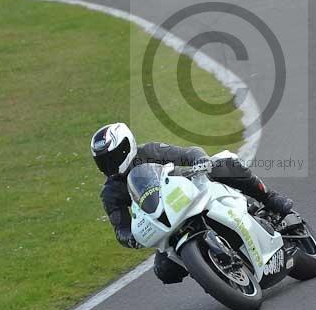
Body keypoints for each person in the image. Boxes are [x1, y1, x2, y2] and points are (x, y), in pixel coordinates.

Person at [91, 122, 293, 285]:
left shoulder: (150, 151)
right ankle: (210, 272)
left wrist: (200, 160)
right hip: (166, 222)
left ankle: (269, 198)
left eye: (113, 157)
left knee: (225, 164)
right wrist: (133, 238)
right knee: (164, 271)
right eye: (103, 161)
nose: (109, 165)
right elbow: (120, 229)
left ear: (128, 146)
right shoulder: (110, 193)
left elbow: (186, 153)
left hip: (189, 191)